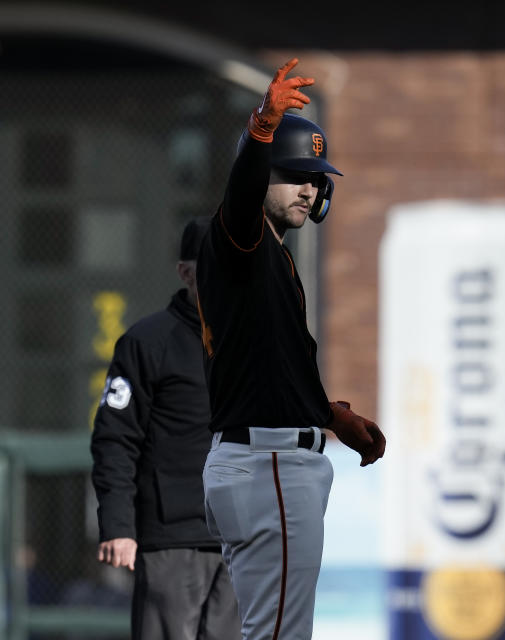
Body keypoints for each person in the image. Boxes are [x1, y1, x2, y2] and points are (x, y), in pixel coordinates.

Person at [196, 57, 386, 640]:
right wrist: (260, 130)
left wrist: (326, 414)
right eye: (294, 173)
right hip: (268, 465)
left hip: (263, 458)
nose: (309, 187)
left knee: (267, 628)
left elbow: (266, 366)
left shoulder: (270, 256)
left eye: (315, 178)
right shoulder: (242, 236)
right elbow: (244, 189)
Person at [90, 217, 241, 640]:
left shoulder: (255, 344)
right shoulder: (147, 342)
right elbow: (115, 440)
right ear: (185, 272)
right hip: (172, 539)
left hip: (243, 536)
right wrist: (119, 526)